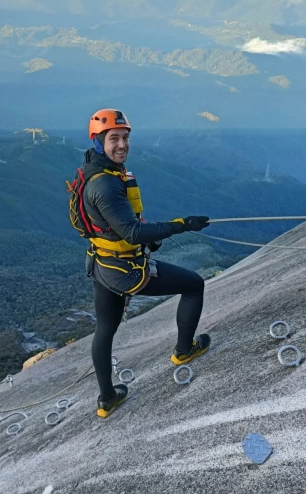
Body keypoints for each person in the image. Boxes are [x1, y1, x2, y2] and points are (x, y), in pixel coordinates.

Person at [69, 108, 211, 418]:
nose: (122, 145)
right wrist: (182, 224)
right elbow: (132, 232)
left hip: (102, 265)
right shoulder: (104, 184)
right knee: (194, 284)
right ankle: (183, 351)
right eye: (114, 139)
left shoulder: (96, 171)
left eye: (125, 138)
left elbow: (118, 226)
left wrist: (150, 237)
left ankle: (107, 399)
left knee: (105, 327)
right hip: (123, 270)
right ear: (97, 142)